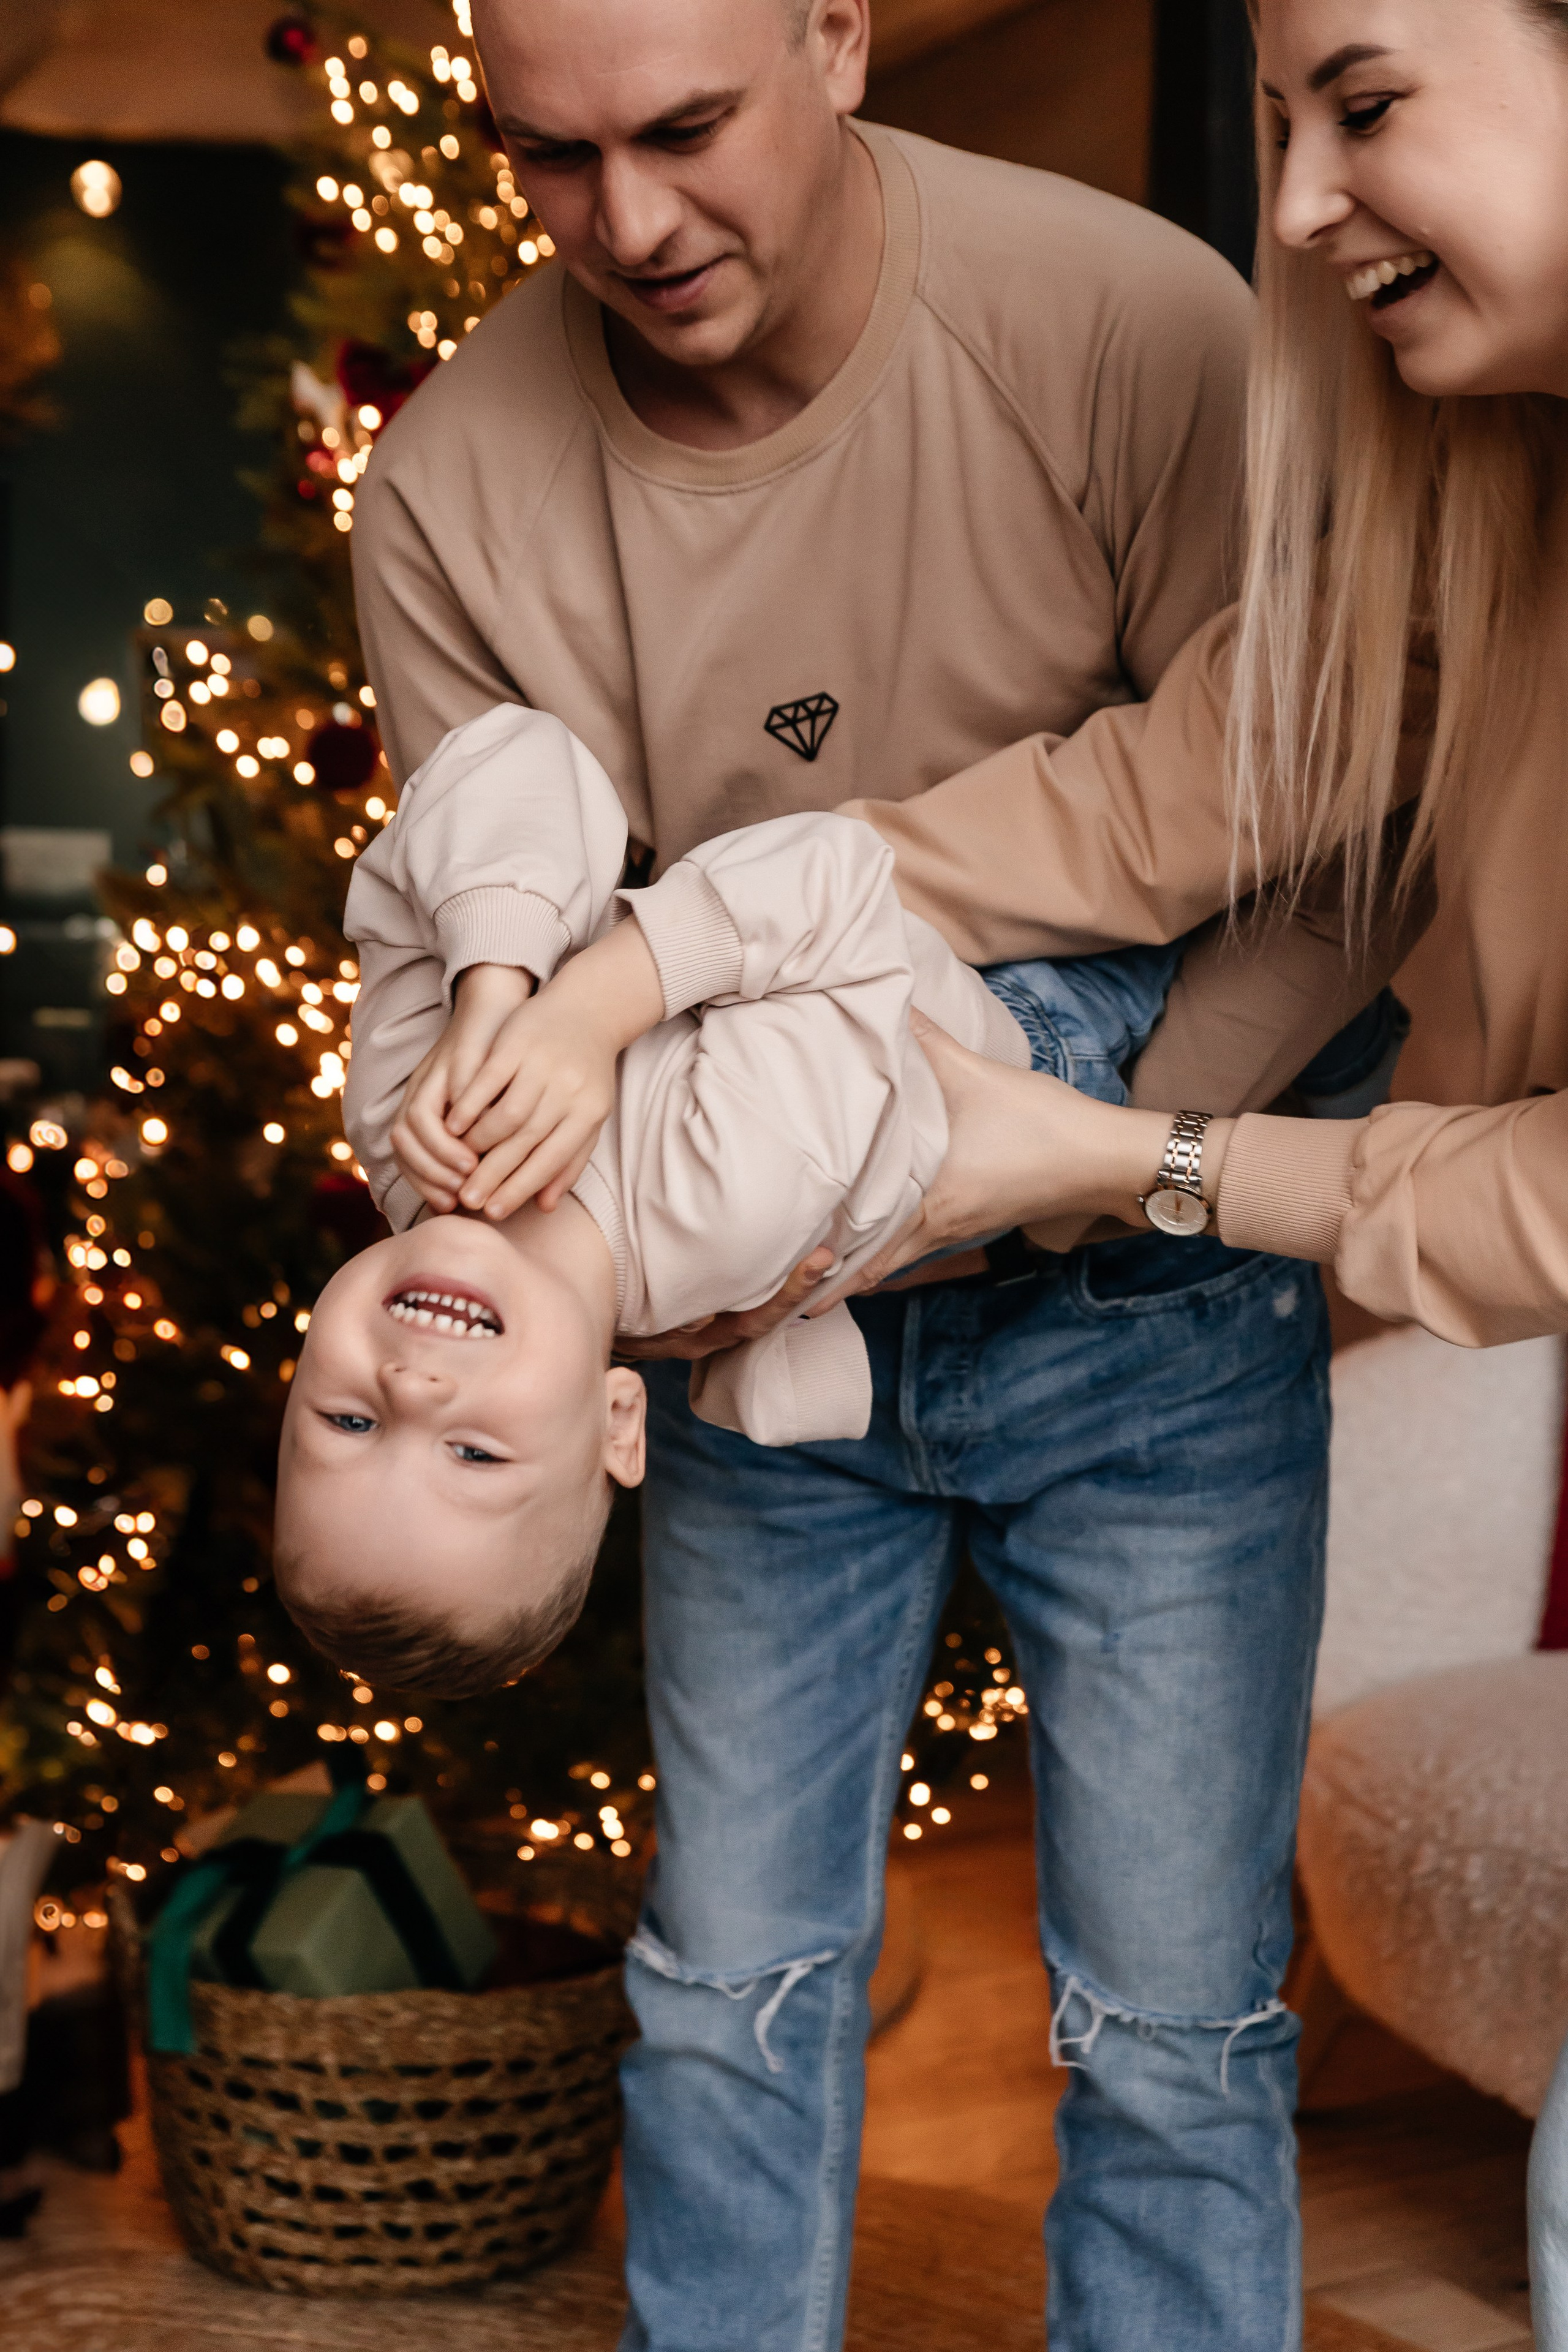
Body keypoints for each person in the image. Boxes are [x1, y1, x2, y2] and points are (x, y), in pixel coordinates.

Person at [352, 2, 1360, 2342]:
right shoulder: (453, 497)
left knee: (1182, 2036)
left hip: (1155, 1289)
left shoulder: (1135, 334)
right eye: (549, 159)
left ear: (835, 29)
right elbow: (495, 880)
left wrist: (1057, 1169)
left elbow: (1329, 849)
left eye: (687, 130)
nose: (629, 226)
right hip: (736, 1355)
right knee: (721, 1995)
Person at [817, 2, 1568, 2335]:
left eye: (1364, 104)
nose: (1302, 205)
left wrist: (1135, 1163)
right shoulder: (1489, 505)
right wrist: (697, 943)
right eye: (1274, 129)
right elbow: (1163, 797)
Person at [278, 702, 1215, 1691]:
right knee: (1230, 865)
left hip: (829, 987)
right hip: (1022, 1021)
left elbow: (516, 748)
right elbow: (840, 885)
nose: (410, 1390)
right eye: (473, 1454)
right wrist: (593, 1013)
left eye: (349, 1425)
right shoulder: (718, 1207)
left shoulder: (399, 1116)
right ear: (617, 1424)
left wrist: (496, 987)